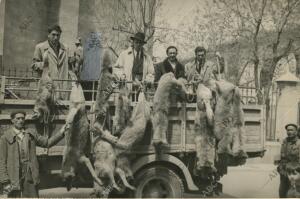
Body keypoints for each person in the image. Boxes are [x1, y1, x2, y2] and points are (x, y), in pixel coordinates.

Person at [0, 111, 68, 197]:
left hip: (30, 172)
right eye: (18, 118)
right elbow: (1, 161)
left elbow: (47, 143)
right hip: (13, 174)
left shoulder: (31, 133)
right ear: (12, 120)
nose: (21, 120)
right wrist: (5, 181)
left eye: (22, 118)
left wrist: (61, 132)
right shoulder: (5, 137)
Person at [31, 24, 72, 99]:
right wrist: (45, 65)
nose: (56, 37)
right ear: (48, 35)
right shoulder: (40, 47)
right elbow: (34, 65)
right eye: (53, 35)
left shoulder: (65, 48)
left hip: (63, 85)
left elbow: (69, 65)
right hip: (47, 85)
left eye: (58, 35)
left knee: (62, 108)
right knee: (46, 107)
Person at [277, 123, 300, 198]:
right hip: (284, 172)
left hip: (295, 172)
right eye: (288, 130)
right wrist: (279, 166)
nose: (289, 132)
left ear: (296, 131)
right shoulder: (285, 142)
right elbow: (282, 155)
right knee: (282, 192)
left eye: (291, 130)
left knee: (293, 194)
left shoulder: (299, 143)